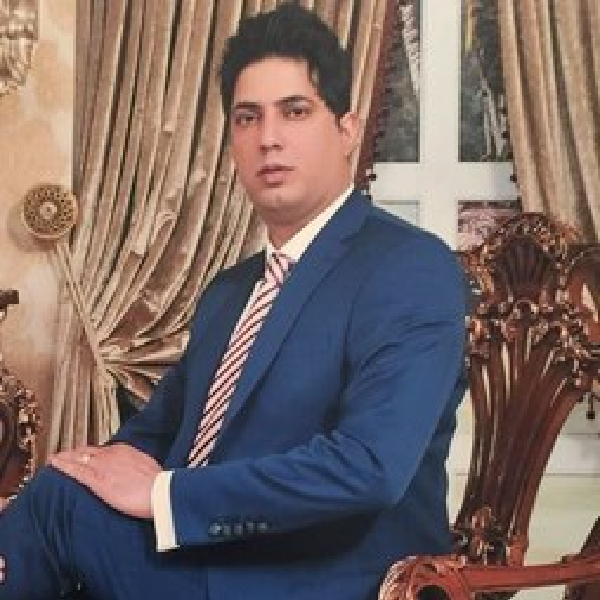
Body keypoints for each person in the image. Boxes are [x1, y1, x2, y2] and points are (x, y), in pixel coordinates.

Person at [0, 3, 467, 599]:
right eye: (248, 118)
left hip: (324, 577)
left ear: (347, 129)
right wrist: (92, 472)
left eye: (295, 111)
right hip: (208, 560)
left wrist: (162, 495)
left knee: (55, 511)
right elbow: (157, 432)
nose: (269, 139)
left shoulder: (409, 266)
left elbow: (370, 468)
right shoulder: (231, 291)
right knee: (59, 495)